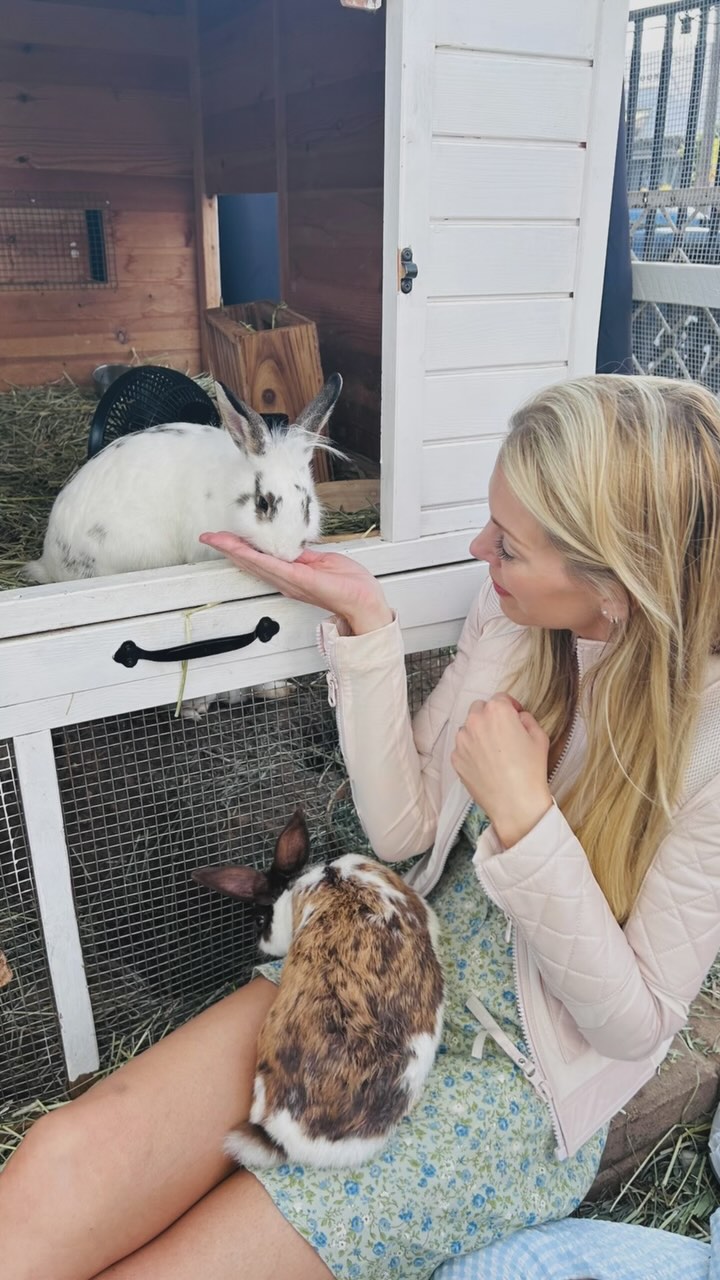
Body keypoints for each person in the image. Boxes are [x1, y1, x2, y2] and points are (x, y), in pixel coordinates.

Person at [3, 374, 720, 1280]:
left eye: (507, 545)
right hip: (380, 961)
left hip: (515, 1073)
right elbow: (405, 828)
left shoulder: (707, 746)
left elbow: (635, 1025)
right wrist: (367, 625)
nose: (478, 550)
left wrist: (528, 823)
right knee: (65, 1165)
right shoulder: (513, 621)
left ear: (615, 583)